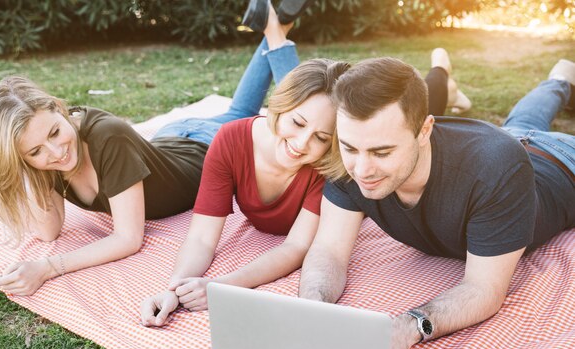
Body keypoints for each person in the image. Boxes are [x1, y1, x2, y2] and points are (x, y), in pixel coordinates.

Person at [139, 2, 471, 327]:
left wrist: (224, 286)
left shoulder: (328, 166)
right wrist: (174, 288)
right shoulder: (230, 140)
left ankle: (441, 73)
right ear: (278, 107)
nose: (302, 145)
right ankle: (276, 30)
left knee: (420, 114)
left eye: (322, 137)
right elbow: (200, 239)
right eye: (297, 123)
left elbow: (297, 247)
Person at [0, 0, 315, 297]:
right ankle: (275, 25)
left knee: (296, 119)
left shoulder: (107, 137)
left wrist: (47, 268)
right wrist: (29, 168)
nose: (56, 153)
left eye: (56, 132)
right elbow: (48, 230)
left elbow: (128, 238)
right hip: (172, 135)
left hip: (202, 149)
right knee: (238, 113)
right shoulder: (46, 155)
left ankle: (272, 30)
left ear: (57, 107)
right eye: (35, 152)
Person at [298, 55, 575, 349]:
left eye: (382, 153)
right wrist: (312, 311)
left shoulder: (496, 170)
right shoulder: (353, 159)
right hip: (507, 138)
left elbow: (483, 289)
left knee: (526, 131)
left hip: (561, 161)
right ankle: (559, 79)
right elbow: (328, 248)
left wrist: (407, 326)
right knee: (522, 121)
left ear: (424, 130)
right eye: (349, 148)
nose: (362, 170)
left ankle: (560, 83)